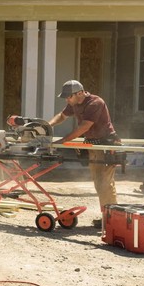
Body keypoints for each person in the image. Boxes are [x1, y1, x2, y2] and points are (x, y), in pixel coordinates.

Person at [48, 80, 120, 228]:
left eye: (69, 97)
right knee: (98, 182)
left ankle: (112, 219)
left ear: (80, 93)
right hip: (92, 143)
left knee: (105, 183)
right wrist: (48, 125)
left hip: (106, 143)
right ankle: (107, 217)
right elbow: (62, 116)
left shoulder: (95, 103)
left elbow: (84, 127)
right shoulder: (74, 103)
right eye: (66, 97)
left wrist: (64, 140)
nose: (67, 100)